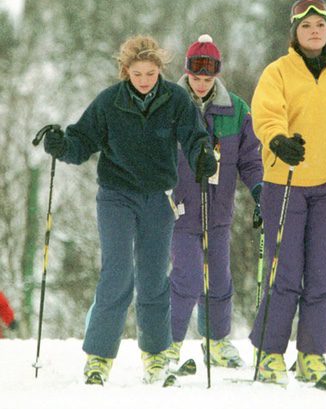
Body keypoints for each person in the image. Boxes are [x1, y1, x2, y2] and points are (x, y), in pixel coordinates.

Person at [42, 35, 217, 385]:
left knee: (153, 278)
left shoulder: (175, 98)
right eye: (137, 73)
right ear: (125, 71)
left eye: (150, 73)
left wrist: (203, 156)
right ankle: (99, 358)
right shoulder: (109, 101)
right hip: (116, 195)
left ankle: (155, 355)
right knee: (117, 273)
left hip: (157, 196)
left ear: (160, 71)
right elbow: (81, 142)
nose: (144, 80)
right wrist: (62, 144)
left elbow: (195, 136)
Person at [249, 0, 326, 385]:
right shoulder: (279, 72)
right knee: (283, 271)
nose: (313, 31)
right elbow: (266, 114)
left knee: (322, 273)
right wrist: (278, 140)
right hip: (284, 182)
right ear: (295, 32)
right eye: (306, 26)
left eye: (319, 25)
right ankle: (269, 353)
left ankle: (312, 354)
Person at [164, 34, 263, 369]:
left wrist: (261, 190)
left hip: (218, 212)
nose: (202, 84)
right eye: (196, 78)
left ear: (216, 76)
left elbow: (250, 159)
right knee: (187, 278)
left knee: (219, 279)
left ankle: (216, 341)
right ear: (186, 73)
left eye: (208, 79)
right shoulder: (170, 106)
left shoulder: (235, 110)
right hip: (179, 212)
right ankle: (169, 343)